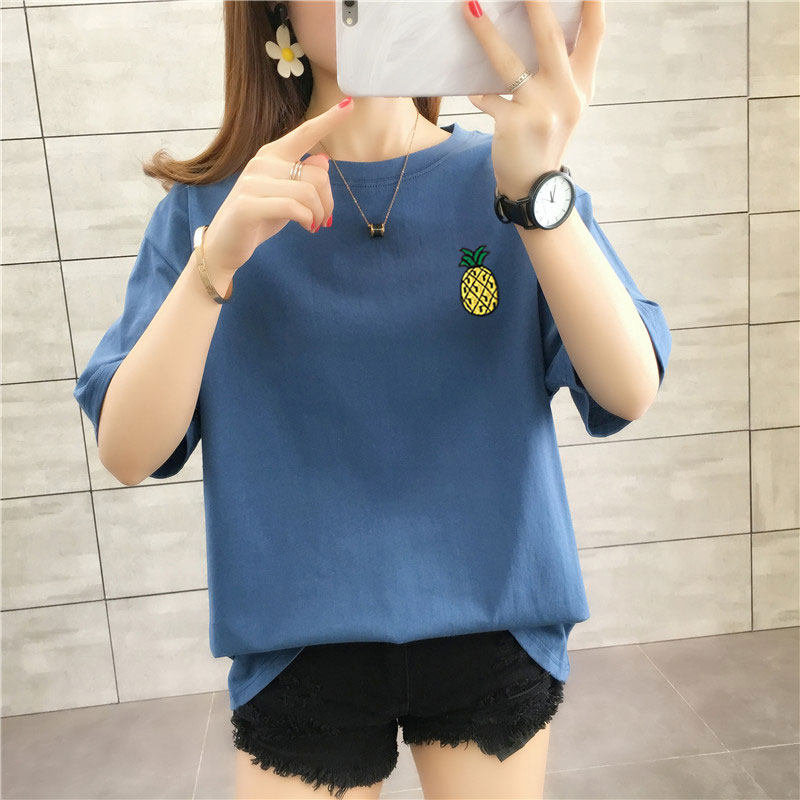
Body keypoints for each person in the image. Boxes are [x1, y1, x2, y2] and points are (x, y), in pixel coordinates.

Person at [73, 1, 671, 798]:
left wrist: (537, 192)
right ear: (275, 11)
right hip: (299, 640)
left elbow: (628, 388)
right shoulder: (216, 209)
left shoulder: (510, 177)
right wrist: (214, 265)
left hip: (491, 620)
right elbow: (127, 452)